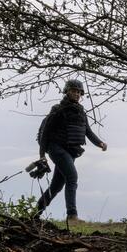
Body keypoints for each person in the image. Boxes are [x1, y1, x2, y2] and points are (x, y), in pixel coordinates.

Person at [34, 79, 107, 223]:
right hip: (56, 148)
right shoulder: (57, 109)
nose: (76, 94)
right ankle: (72, 215)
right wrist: (42, 155)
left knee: (56, 186)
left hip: (71, 151)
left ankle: (35, 213)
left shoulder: (80, 111)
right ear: (66, 91)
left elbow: (88, 131)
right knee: (72, 177)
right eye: (73, 91)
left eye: (78, 92)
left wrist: (100, 143)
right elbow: (46, 133)